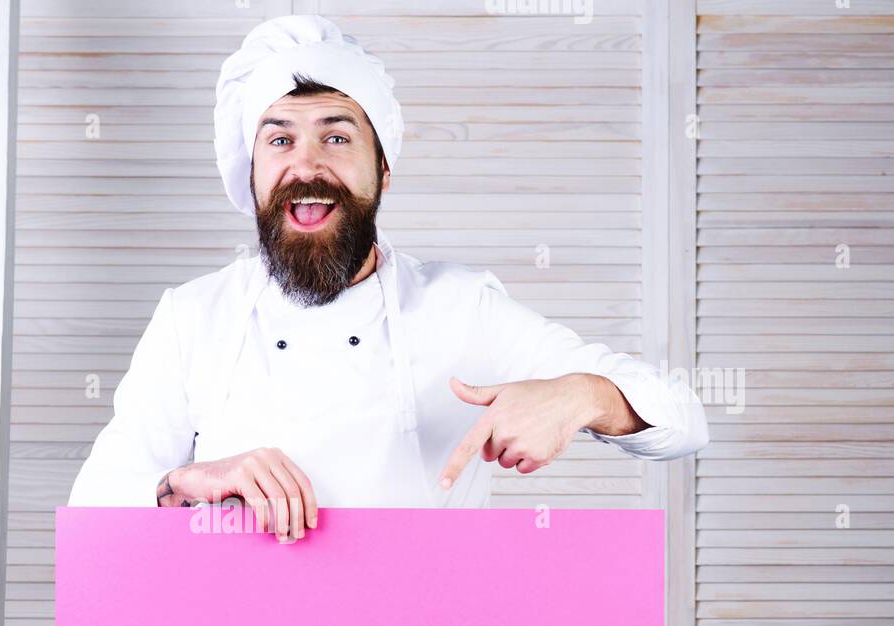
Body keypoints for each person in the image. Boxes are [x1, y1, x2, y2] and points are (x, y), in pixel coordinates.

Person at [70, 15, 708, 541]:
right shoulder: (192, 318)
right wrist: (181, 483)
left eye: (338, 138)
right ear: (254, 173)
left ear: (384, 169)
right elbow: (92, 515)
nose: (307, 165)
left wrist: (582, 396)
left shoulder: (462, 309)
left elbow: (685, 418)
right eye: (280, 141)